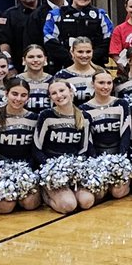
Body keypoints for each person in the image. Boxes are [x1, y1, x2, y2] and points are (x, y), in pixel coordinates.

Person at [0, 77, 42, 213]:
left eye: (23, 95)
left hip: (24, 169)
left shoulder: (34, 118)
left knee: (30, 204)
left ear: (28, 98)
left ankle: (18, 195)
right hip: (1, 168)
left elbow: (34, 149)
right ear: (6, 94)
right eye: (14, 94)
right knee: (4, 208)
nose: (18, 99)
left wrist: (28, 171)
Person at [34, 79, 96, 214]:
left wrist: (76, 168)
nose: (59, 95)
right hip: (51, 170)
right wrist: (50, 168)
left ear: (71, 91)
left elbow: (84, 148)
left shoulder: (84, 117)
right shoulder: (46, 116)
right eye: (53, 93)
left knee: (87, 201)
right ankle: (45, 194)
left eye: (62, 91)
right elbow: (36, 147)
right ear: (50, 98)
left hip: (73, 169)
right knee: (69, 205)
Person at [82, 69, 132, 201]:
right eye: (101, 83)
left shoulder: (121, 104)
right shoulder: (83, 109)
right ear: (93, 84)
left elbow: (126, 134)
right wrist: (96, 163)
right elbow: (88, 140)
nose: (106, 87)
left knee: (118, 192)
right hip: (98, 159)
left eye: (109, 83)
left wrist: (120, 161)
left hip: (118, 157)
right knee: (99, 194)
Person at [42, 0, 114, 69]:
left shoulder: (101, 15)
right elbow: (49, 39)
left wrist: (90, 58)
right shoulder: (56, 14)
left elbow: (109, 39)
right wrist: (70, 58)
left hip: (95, 65)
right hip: (63, 65)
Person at [27, 0, 68, 69]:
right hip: (50, 67)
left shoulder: (76, 9)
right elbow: (33, 44)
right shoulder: (36, 15)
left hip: (79, 62)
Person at [0, 0, 41, 64]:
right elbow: (4, 43)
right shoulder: (9, 15)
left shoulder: (46, 12)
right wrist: (9, 65)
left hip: (44, 64)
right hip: (18, 66)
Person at [52, 37, 102, 104]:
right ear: (72, 52)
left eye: (88, 52)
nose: (84, 55)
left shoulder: (101, 73)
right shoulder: (61, 75)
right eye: (80, 52)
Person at [18, 44, 53, 113]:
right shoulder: (16, 81)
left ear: (45, 59)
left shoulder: (53, 81)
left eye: (39, 56)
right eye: (31, 57)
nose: (35, 60)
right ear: (24, 60)